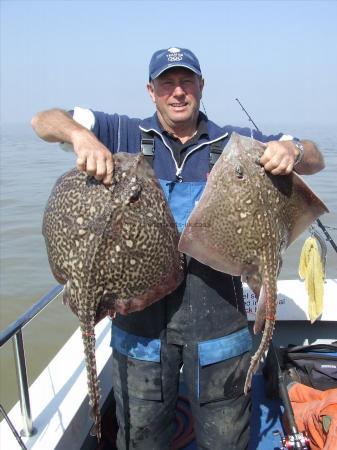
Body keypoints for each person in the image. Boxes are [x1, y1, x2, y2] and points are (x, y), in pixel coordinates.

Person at [31, 47, 325, 450]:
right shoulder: (122, 133)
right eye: (167, 83)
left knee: (225, 438)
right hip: (139, 322)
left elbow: (315, 157)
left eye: (186, 81)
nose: (178, 92)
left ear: (201, 86)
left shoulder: (235, 145)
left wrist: (292, 150)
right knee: (142, 437)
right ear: (151, 91)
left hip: (219, 322)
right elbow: (43, 120)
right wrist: (80, 136)